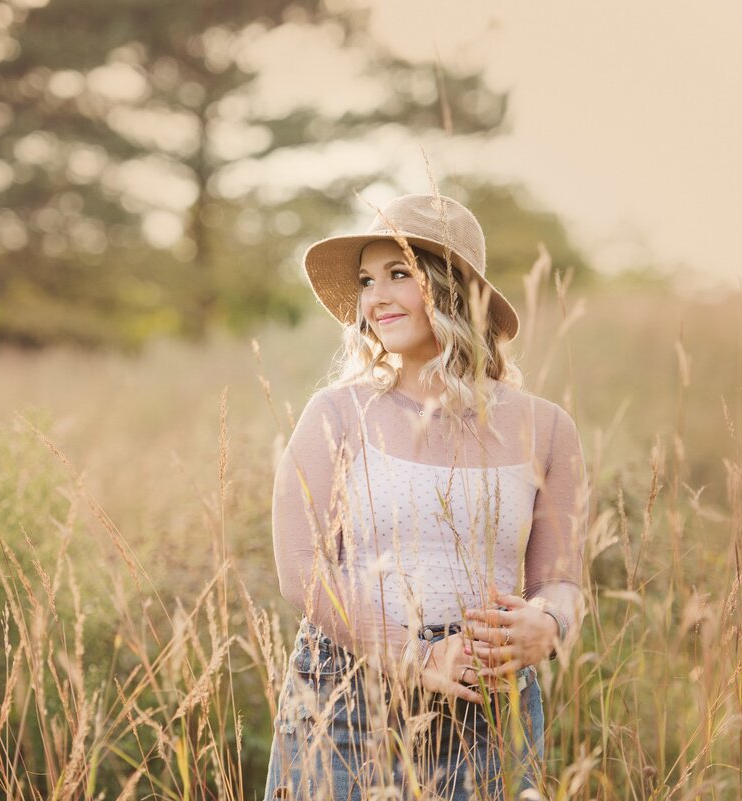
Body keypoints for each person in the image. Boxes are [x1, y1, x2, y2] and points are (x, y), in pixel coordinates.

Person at [261, 193, 588, 801]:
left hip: (491, 705)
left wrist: (548, 626)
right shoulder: (337, 413)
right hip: (345, 702)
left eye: (399, 274)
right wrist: (412, 653)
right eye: (365, 281)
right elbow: (301, 567)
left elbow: (564, 581)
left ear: (455, 289)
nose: (374, 297)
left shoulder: (545, 428)